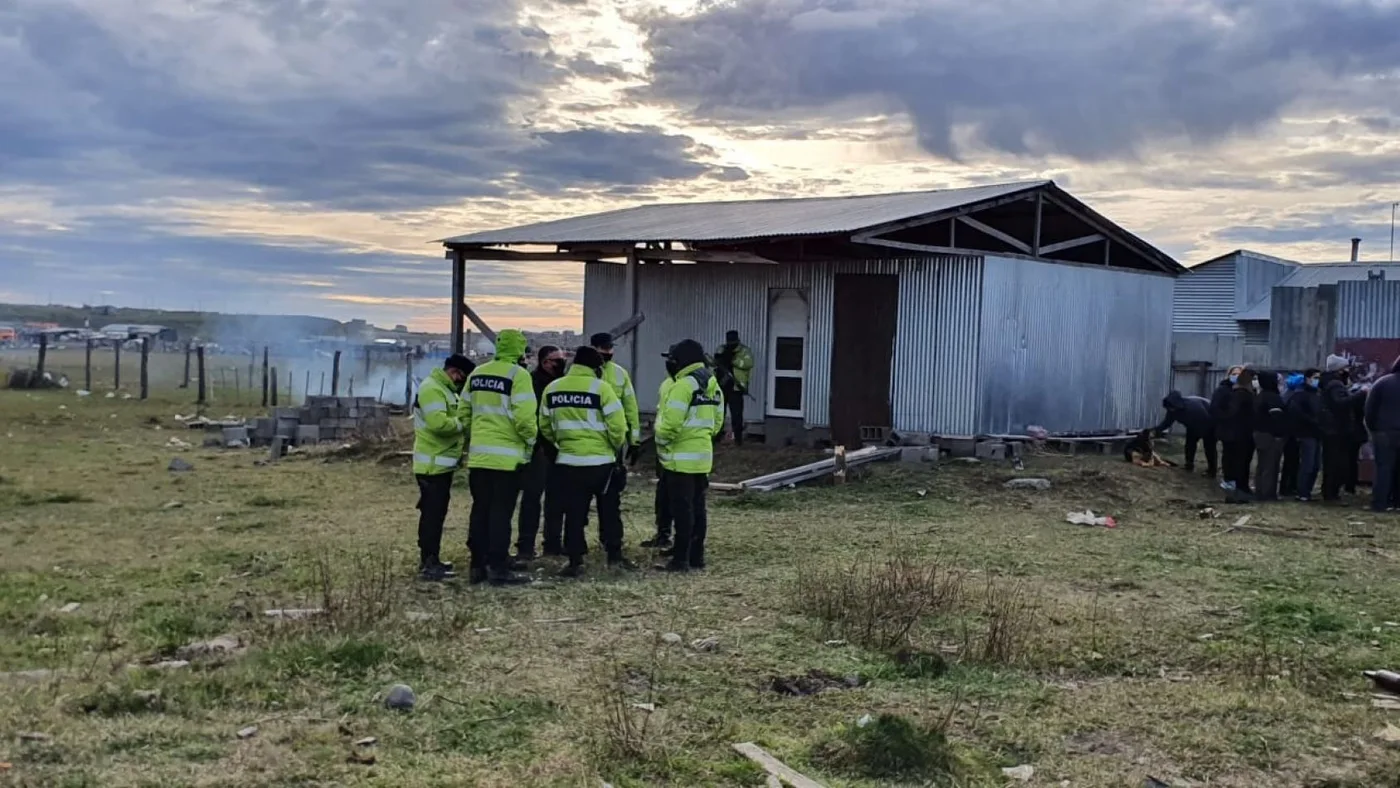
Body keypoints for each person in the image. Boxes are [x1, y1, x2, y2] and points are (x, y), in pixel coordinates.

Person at [538, 346, 630, 577]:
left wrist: (563, 444)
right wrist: (613, 447)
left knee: (574, 512)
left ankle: (575, 559)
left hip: (568, 461)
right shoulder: (602, 389)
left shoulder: (553, 388)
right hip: (601, 462)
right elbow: (618, 427)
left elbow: (545, 426)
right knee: (609, 510)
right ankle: (614, 555)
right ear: (596, 367)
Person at [462, 329, 537, 586]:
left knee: (480, 510)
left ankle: (477, 565)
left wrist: (476, 438)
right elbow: (525, 418)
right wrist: (530, 442)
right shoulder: (519, 375)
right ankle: (498, 567)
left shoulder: (477, 373)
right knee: (500, 514)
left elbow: (464, 413)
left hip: (479, 457)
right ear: (519, 350)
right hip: (507, 460)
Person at [655, 339, 724, 572]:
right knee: (698, 509)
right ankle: (696, 557)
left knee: (682, 511)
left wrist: (660, 443)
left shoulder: (683, 386)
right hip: (702, 457)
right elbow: (717, 424)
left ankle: (680, 560)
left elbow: (670, 424)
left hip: (678, 459)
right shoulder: (712, 384)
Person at [410, 354, 474, 581]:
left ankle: (432, 558)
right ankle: (428, 562)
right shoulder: (432, 389)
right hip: (431, 465)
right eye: (461, 378)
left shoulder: (444, 389)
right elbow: (439, 424)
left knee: (437, 514)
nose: (460, 383)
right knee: (432, 516)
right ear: (454, 372)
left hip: (440, 465)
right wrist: (465, 422)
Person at [590, 333, 641, 551]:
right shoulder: (584, 374)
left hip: (612, 445)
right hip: (584, 443)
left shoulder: (619, 374)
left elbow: (630, 407)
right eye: (603, 349)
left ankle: (608, 540)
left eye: (610, 349)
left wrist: (634, 441)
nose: (608, 353)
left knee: (610, 497)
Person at [516, 346, 566, 559]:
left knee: (556, 498)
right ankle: (526, 546)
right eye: (557, 360)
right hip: (537, 448)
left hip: (556, 447)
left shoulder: (560, 383)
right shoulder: (530, 382)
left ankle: (552, 543)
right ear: (545, 362)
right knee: (532, 498)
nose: (561, 363)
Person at [641, 352, 682, 549]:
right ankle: (663, 533)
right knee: (663, 494)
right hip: (664, 452)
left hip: (682, 451)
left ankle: (682, 543)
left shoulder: (689, 384)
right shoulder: (667, 384)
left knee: (682, 500)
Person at [1320, 355, 1366, 504]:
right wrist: (1360, 395)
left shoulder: (1330, 383)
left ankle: (1330, 492)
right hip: (1336, 430)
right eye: (1345, 369)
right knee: (1336, 463)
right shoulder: (1335, 385)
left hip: (1332, 429)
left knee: (1333, 462)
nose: (1348, 371)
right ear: (1339, 370)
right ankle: (1331, 494)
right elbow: (1340, 403)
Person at [1364, 355, 1400, 513]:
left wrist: (1374, 428)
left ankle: (1380, 503)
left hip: (1384, 432)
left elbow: (1370, 409)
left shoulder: (1383, 382)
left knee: (1383, 468)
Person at [1217, 367, 1256, 502]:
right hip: (1238, 434)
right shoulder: (1240, 393)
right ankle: (1236, 492)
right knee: (1236, 463)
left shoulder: (1244, 392)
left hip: (1242, 433)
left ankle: (1240, 490)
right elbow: (1231, 412)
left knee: (1241, 463)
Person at [1155, 391, 1216, 476]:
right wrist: (1155, 430)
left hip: (1209, 424)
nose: (1170, 410)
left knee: (1209, 448)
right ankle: (1189, 465)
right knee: (1189, 445)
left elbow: (1207, 419)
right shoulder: (1172, 411)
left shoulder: (1193, 407)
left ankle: (1212, 470)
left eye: (1172, 408)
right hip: (1192, 426)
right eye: (1169, 408)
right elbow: (1166, 423)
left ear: (1177, 405)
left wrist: (1204, 433)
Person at [1288, 368, 1324, 501]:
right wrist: (1312, 421)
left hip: (1316, 432)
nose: (1317, 380)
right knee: (1307, 464)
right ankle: (1302, 491)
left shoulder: (1316, 394)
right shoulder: (1300, 394)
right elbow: (1297, 413)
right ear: (1307, 378)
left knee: (1315, 465)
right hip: (1305, 433)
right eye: (1315, 377)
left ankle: (1307, 490)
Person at [713, 330, 755, 445]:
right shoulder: (721, 349)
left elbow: (748, 363)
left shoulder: (744, 351)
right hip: (721, 386)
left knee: (736, 415)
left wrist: (732, 360)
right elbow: (714, 364)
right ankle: (716, 437)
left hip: (736, 387)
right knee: (718, 414)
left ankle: (738, 440)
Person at [1251, 371, 1287, 502]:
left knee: (1262, 464)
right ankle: (1268, 494)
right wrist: (1280, 434)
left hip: (1259, 433)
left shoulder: (1260, 395)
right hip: (1270, 435)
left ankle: (1260, 491)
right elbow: (1277, 417)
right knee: (1270, 465)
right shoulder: (1273, 397)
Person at [1210, 366, 1243, 488]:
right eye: (1234, 373)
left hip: (1240, 429)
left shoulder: (1242, 390)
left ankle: (1237, 479)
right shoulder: (1222, 390)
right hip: (1227, 428)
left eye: (1239, 374)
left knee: (1239, 456)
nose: (1236, 376)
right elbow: (1214, 408)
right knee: (1229, 454)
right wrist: (1227, 416)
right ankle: (1228, 479)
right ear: (1229, 374)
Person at [1279, 373, 1305, 497]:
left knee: (1290, 461)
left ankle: (1286, 486)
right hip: (1292, 433)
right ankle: (1288, 487)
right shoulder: (1296, 396)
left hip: (1287, 433)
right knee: (1292, 461)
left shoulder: (1286, 395)